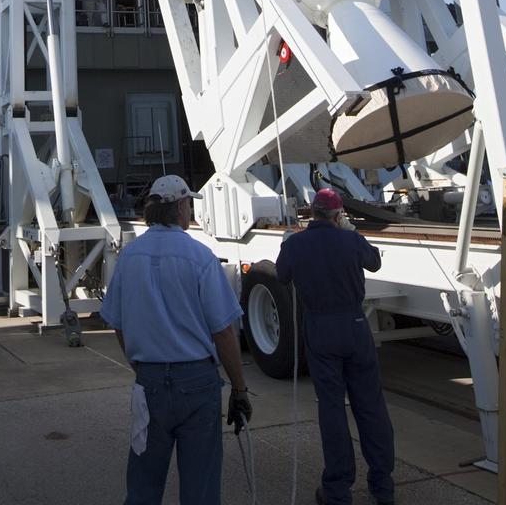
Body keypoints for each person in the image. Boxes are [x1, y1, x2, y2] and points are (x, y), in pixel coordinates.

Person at [100, 174, 252, 505]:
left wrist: (140, 365)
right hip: (196, 383)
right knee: (201, 484)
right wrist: (239, 389)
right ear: (181, 206)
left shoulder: (129, 257)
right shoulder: (200, 257)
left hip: (149, 382)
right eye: (189, 205)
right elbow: (223, 331)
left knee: (143, 482)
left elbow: (118, 324)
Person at [276, 188, 394, 505]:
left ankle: (338, 489)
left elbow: (281, 274)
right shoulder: (351, 240)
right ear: (338, 214)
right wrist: (353, 233)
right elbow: (374, 264)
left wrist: (286, 246)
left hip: (320, 327)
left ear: (311, 213)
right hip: (354, 326)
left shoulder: (296, 244)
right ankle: (383, 487)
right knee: (370, 407)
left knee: (332, 409)